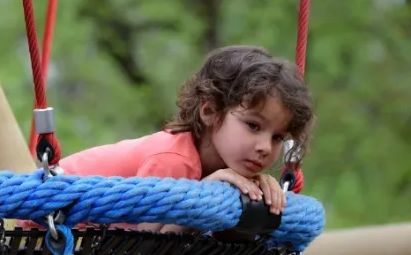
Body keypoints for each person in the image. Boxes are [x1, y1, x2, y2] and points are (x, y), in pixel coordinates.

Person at [40, 44, 315, 234]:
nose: (265, 147)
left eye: (278, 137)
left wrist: (258, 199)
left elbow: (231, 243)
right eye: (253, 126)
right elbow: (140, 248)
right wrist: (203, 198)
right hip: (42, 234)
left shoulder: (220, 168)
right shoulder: (175, 161)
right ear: (210, 111)